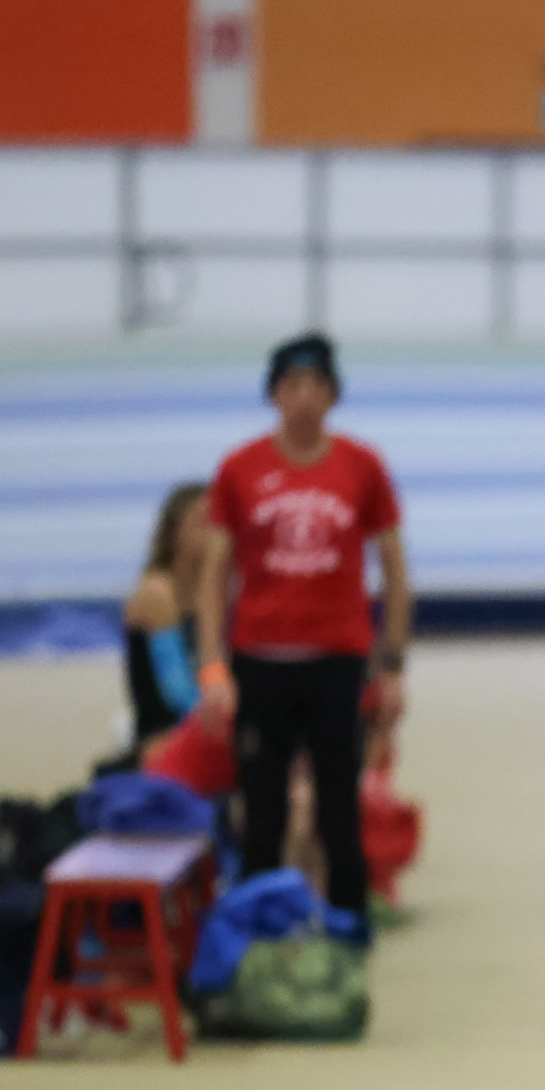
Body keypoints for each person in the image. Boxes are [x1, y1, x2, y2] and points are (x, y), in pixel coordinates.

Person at [189, 333, 409, 933]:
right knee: (263, 812)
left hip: (338, 663)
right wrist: (212, 667)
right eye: (292, 385)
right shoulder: (239, 469)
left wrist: (392, 664)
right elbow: (214, 576)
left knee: (340, 809)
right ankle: (259, 932)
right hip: (261, 662)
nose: (305, 397)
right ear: (273, 395)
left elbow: (393, 568)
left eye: (317, 385)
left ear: (334, 395)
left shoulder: (363, 467)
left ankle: (348, 933)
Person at [125, 482, 210, 750]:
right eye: (203, 522)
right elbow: (179, 693)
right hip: (161, 735)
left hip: (202, 727)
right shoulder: (157, 592)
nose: (214, 533)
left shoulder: (212, 594)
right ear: (175, 532)